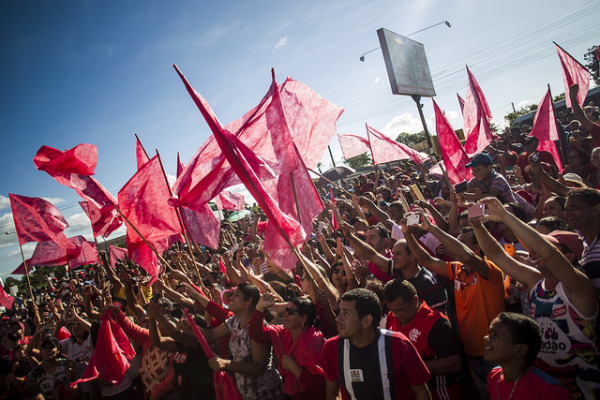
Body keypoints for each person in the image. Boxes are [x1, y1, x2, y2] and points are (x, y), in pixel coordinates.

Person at [471, 197, 599, 399]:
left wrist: (506, 216)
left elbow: (548, 253)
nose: (534, 251)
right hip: (543, 384)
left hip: (583, 390)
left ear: (569, 257)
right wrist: (475, 224)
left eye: (543, 247)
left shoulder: (579, 287)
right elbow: (496, 254)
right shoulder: (535, 281)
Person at [403, 213, 505, 400]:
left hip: (496, 354)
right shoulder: (458, 269)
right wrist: (407, 234)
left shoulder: (490, 270)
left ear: (476, 247)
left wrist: (433, 229)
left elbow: (466, 255)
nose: (455, 245)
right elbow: (426, 261)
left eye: (462, 242)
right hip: (470, 352)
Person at [320, 288, 431, 400]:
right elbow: (332, 393)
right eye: (340, 311)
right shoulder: (331, 348)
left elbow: (421, 392)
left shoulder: (398, 344)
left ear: (366, 321)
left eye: (346, 313)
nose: (338, 318)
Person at [195, 282, 283, 400]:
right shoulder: (234, 320)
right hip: (245, 392)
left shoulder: (258, 327)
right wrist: (191, 327)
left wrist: (227, 364)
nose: (231, 298)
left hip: (265, 394)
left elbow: (258, 368)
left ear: (248, 301)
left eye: (236, 295)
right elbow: (211, 335)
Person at [383, 279, 461, 399]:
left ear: (415, 300)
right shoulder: (392, 316)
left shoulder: (436, 323)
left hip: (436, 390)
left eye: (402, 310)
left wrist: (410, 367)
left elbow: (454, 363)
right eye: (392, 310)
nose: (397, 314)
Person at [249, 292, 326, 400]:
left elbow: (319, 385)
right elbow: (255, 334)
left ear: (303, 318)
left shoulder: (314, 342)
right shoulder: (283, 333)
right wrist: (260, 307)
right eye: (286, 310)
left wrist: (293, 367)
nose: (285, 315)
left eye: (290, 312)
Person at [484, 312, 572, 400]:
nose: (486, 338)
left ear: (520, 350)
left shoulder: (551, 390)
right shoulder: (493, 376)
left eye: (494, 335)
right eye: (489, 333)